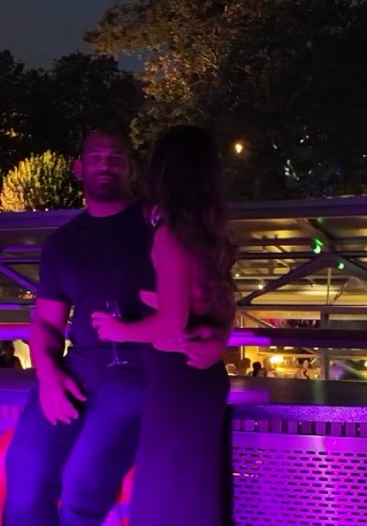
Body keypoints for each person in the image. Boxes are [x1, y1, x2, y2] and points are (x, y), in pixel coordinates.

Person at [4, 130, 227, 526]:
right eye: (96, 156)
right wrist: (49, 374)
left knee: (80, 493)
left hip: (140, 374)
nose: (105, 164)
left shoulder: (159, 226)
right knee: (24, 479)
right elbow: (45, 322)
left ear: (132, 168)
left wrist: (219, 337)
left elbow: (211, 287)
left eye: (116, 157)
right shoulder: (63, 242)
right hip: (77, 371)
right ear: (78, 168)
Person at [92, 124, 237, 526]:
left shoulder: (169, 233)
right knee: (194, 495)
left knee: (167, 497)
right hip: (201, 379)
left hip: (176, 380)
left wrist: (117, 330)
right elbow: (219, 301)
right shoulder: (207, 232)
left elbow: (173, 320)